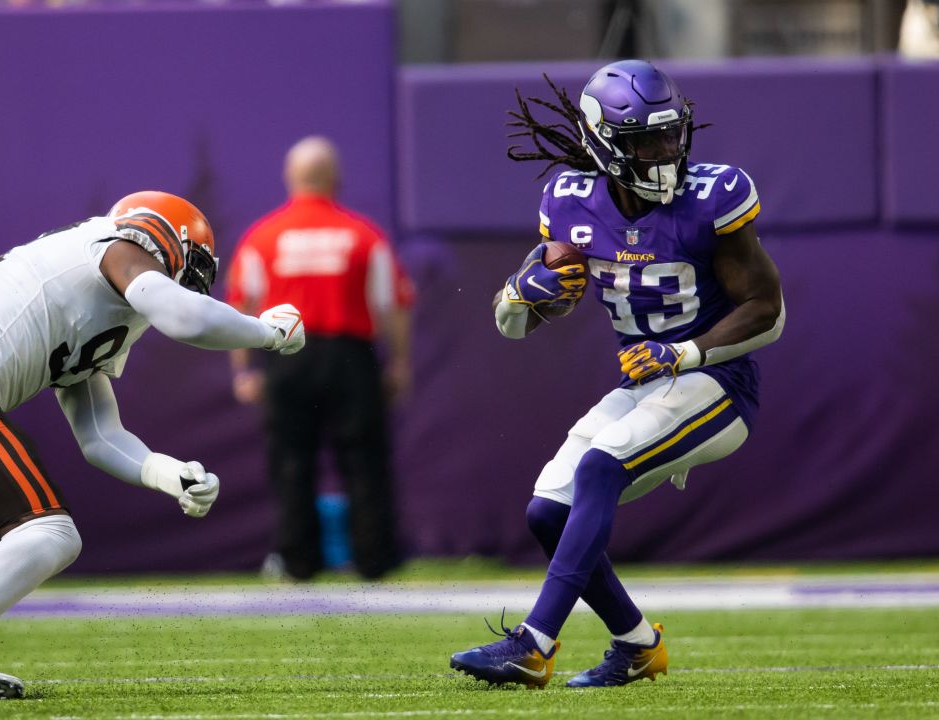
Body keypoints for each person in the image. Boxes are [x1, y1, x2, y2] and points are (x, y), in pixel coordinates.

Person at [0, 191, 306, 699]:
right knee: (49, 531)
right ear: (170, 243)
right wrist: (265, 332)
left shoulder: (94, 294)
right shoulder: (116, 248)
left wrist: (172, 475)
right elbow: (186, 318)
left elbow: (100, 436)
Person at [450, 61, 785, 688]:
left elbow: (768, 311)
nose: (663, 153)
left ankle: (533, 643)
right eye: (644, 141)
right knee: (548, 510)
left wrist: (684, 353)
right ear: (606, 142)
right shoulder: (572, 202)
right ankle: (636, 644)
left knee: (601, 466)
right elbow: (512, 325)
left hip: (719, 383)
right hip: (648, 385)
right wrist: (522, 295)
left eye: (670, 135)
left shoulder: (713, 195)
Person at [226, 136, 412, 581]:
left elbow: (238, 307)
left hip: (286, 356)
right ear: (335, 178)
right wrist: (400, 363)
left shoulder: (263, 237)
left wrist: (243, 368)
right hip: (350, 357)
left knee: (290, 461)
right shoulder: (363, 235)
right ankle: (374, 560)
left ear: (291, 178)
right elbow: (394, 304)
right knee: (363, 460)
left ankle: (297, 560)